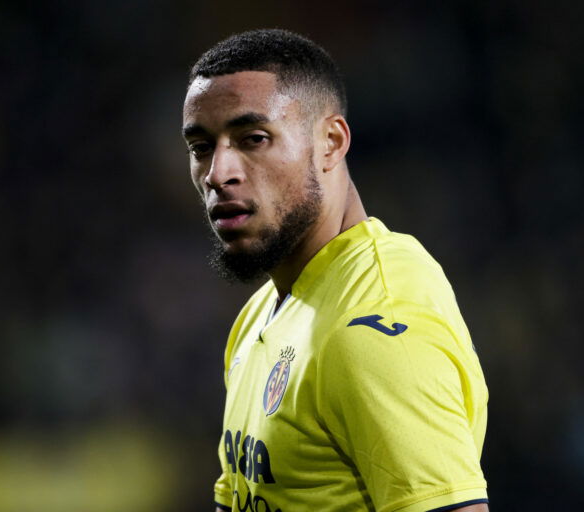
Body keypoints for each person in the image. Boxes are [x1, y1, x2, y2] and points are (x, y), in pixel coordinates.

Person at [182, 29, 489, 512]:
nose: (218, 174)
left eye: (253, 139)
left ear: (330, 141)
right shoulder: (261, 314)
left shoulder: (371, 327)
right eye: (201, 147)